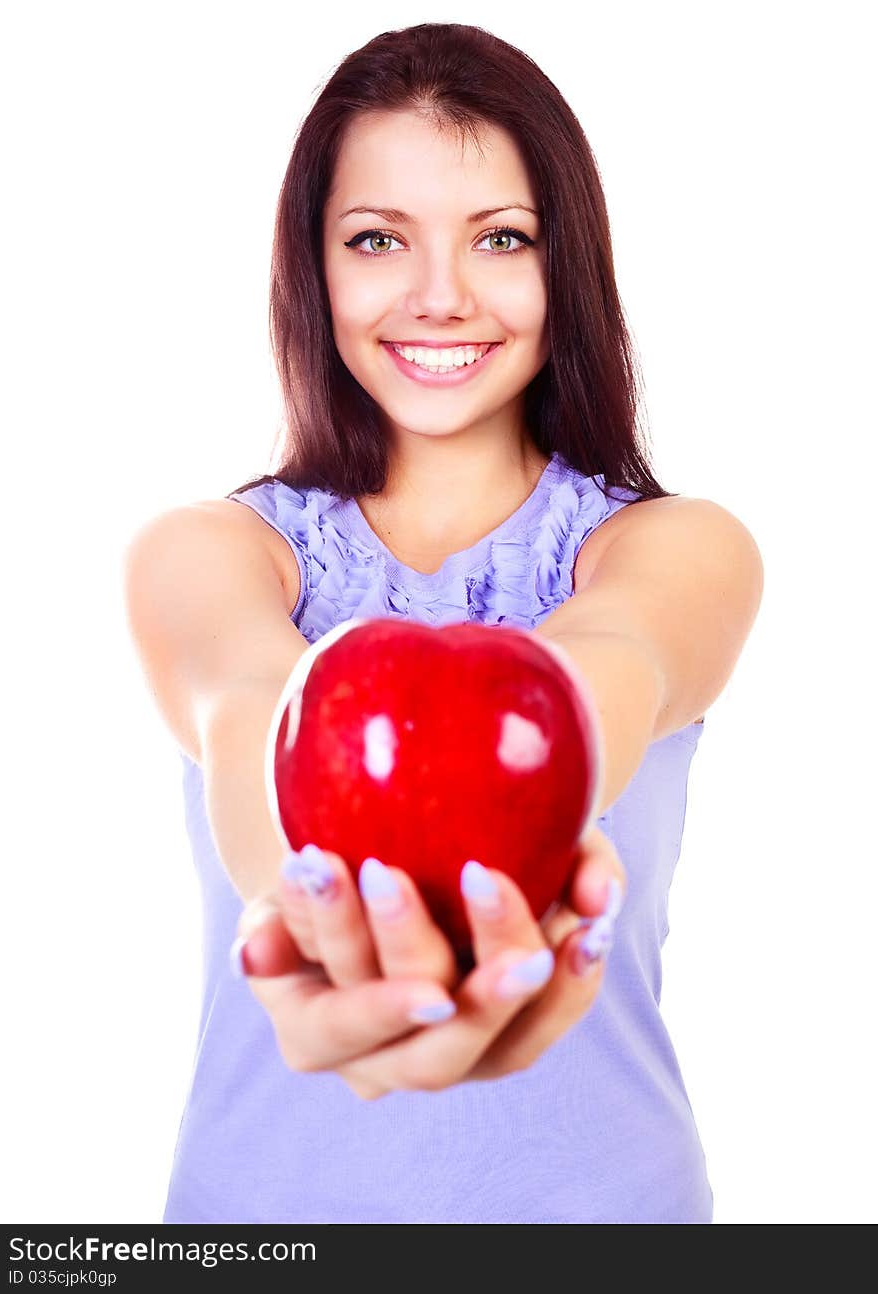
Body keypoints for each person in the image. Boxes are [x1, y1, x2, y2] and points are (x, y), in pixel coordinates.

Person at [122, 23, 763, 1224]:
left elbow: (604, 665)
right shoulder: (205, 554)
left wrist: (545, 810)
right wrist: (308, 918)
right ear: (314, 269)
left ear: (564, 265)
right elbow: (257, 714)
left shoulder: (680, 548)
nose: (438, 296)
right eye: (377, 240)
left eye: (500, 239)